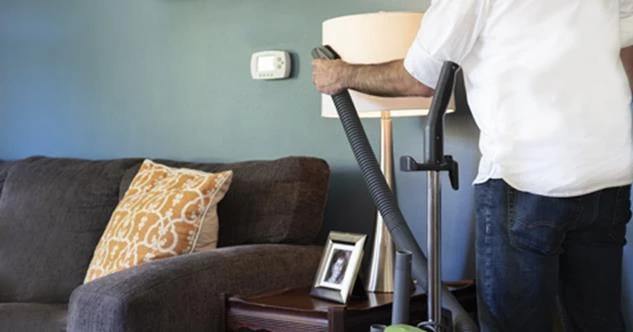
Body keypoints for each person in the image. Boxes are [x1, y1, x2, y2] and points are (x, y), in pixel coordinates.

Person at [312, 1, 633, 331]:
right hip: (607, 171)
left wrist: (342, 74)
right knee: (598, 320)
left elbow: (419, 79)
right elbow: (626, 55)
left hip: (526, 177)